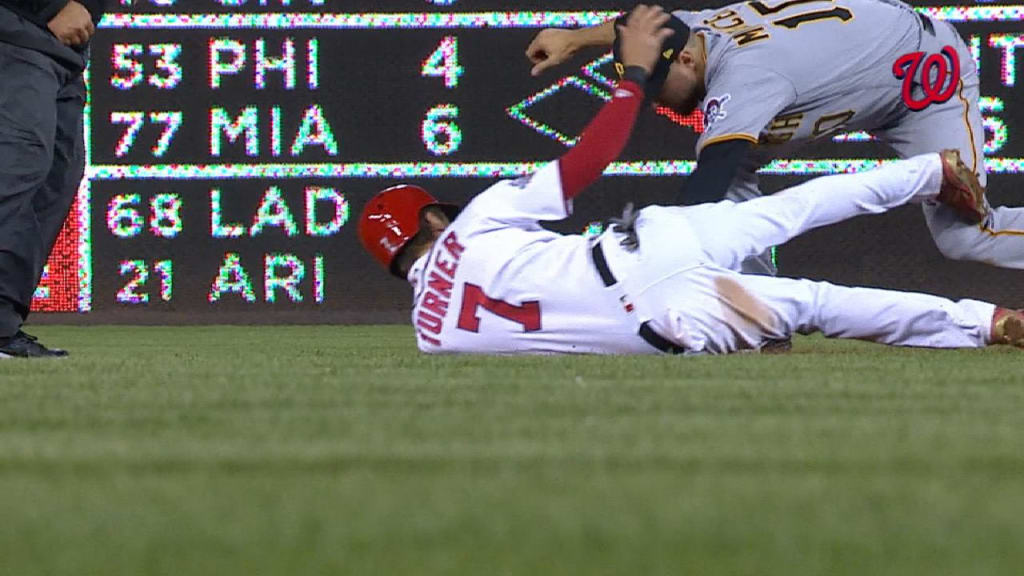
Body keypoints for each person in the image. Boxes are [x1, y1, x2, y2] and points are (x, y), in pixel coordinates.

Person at [356, 5, 1023, 356]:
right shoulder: (695, 38)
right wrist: (601, 54)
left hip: (664, 323)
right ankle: (927, 173)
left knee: (822, 298)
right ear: (436, 218)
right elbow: (648, 41)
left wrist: (593, 46)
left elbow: (708, 157)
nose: (667, 107)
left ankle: (984, 323)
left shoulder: (431, 333)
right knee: (795, 207)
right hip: (640, 250)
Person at [525, 0, 1024, 275]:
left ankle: (756, 305)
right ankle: (760, 311)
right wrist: (575, 38)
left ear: (687, 60)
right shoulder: (696, 33)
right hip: (863, 66)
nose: (658, 99)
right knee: (736, 168)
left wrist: (650, 247)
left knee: (966, 234)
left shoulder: (743, 76)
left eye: (658, 84)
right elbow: (643, 22)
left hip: (923, 80)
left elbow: (707, 185)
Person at [0, 0, 104, 358]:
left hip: (62, 54)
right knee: (15, 165)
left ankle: (1, 329)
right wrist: (51, 6)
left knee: (55, 180)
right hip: (18, 31)